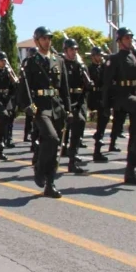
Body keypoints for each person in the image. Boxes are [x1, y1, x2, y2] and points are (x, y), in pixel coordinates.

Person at [18, 26, 71, 198]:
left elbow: (64, 88)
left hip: (56, 106)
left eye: (49, 38)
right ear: (37, 41)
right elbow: (23, 90)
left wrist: (68, 109)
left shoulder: (59, 60)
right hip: (41, 107)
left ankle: (50, 183)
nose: (47, 41)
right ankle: (39, 167)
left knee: (55, 146)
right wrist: (30, 109)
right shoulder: (31, 62)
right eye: (43, 38)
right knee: (51, 137)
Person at [101, 27, 136, 185]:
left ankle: (130, 171)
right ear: (119, 41)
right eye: (126, 38)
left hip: (134, 95)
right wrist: (105, 105)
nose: (129, 40)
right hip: (122, 97)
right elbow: (106, 83)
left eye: (130, 38)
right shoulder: (115, 58)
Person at [61, 38, 89, 174]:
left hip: (78, 100)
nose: (74, 52)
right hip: (65, 100)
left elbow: (86, 85)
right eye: (71, 49)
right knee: (58, 132)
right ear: (65, 50)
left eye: (75, 49)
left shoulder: (80, 66)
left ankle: (72, 160)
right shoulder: (61, 65)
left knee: (79, 125)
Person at [87, 46, 110, 162]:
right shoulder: (89, 69)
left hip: (103, 98)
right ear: (93, 57)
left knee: (103, 124)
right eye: (97, 55)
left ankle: (97, 151)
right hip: (94, 98)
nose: (100, 57)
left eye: (100, 55)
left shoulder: (104, 68)